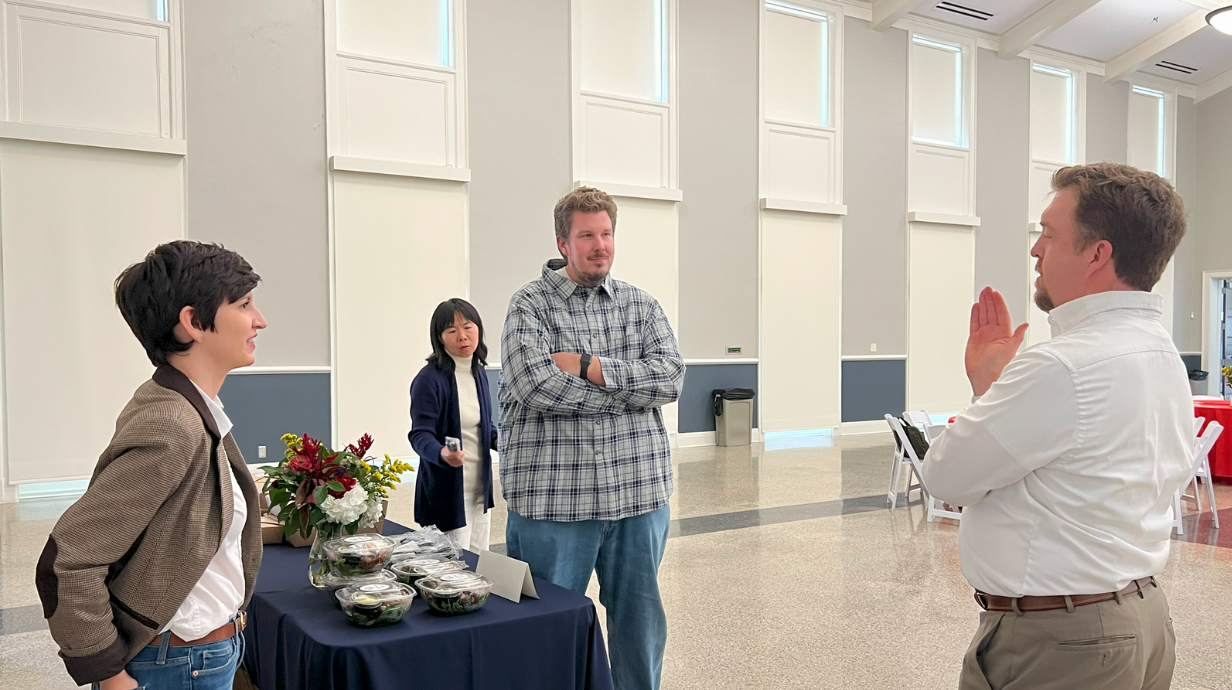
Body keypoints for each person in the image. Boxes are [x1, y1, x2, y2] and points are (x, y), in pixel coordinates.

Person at [921, 163, 1192, 690]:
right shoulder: (1159, 352)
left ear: (1098, 254)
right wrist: (995, 391)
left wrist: (991, 387)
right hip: (1141, 620)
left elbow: (945, 478)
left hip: (1063, 643)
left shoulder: (1064, 365)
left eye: (1048, 233)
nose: (1035, 251)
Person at [35, 241, 267, 690]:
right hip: (177, 664)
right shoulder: (173, 424)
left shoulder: (186, 405)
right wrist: (109, 673)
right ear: (194, 322)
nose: (259, 319)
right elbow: (69, 561)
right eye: (243, 304)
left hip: (200, 654)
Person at [498, 186, 685, 690]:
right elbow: (535, 385)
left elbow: (669, 379)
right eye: (587, 235)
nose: (599, 245)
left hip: (638, 499)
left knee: (640, 626)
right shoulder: (529, 307)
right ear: (563, 242)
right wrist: (628, 395)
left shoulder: (641, 306)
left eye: (606, 233)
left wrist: (589, 367)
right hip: (555, 505)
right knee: (546, 630)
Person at [408, 298, 499, 551]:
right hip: (447, 491)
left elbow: (483, 426)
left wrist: (500, 441)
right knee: (450, 572)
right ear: (440, 338)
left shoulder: (478, 372)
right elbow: (419, 434)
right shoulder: (429, 379)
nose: (462, 337)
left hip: (479, 488)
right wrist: (442, 453)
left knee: (479, 563)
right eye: (452, 331)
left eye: (468, 327)